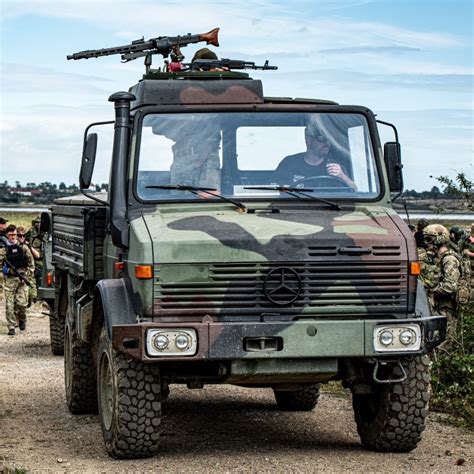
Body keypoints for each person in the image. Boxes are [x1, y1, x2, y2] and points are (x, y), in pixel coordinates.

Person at [270, 120, 357, 189]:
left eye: (329, 140)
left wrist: (343, 176)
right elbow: (274, 188)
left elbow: (354, 190)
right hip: (294, 208)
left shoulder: (336, 168)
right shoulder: (289, 164)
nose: (327, 143)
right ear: (309, 140)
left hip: (329, 209)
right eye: (322, 138)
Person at [421, 224, 460, 345]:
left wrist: (431, 290)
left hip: (446, 307)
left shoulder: (449, 259)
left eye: (429, 239)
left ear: (439, 239)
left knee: (445, 342)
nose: (426, 242)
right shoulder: (434, 257)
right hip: (436, 307)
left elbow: (450, 286)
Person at [0, 224, 35, 335]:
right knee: (9, 306)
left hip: (22, 280)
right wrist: (7, 271)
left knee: (22, 305)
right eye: (10, 235)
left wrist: (26, 275)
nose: (13, 237)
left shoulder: (23, 248)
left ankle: (22, 319)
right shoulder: (4, 251)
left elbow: (31, 265)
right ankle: (11, 327)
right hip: (10, 281)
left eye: (14, 234)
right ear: (7, 235)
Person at [17, 226, 40, 306]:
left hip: (29, 274)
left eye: (24, 236)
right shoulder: (13, 246)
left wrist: (29, 246)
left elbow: (37, 255)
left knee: (33, 296)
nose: (22, 238)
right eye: (19, 236)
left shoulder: (26, 246)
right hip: (17, 275)